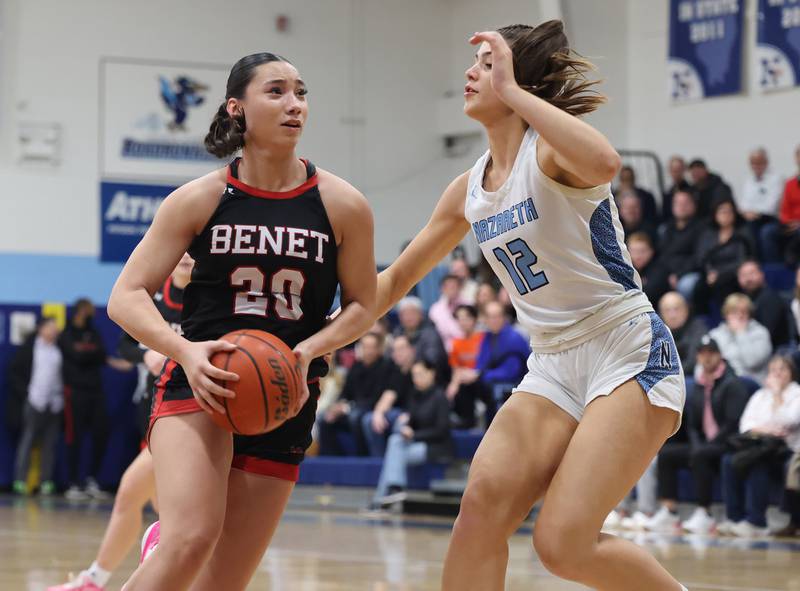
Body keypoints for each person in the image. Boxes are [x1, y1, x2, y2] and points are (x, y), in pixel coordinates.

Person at [371, 21, 688, 590]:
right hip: (551, 364)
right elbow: (392, 283)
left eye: (488, 65)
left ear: (519, 80)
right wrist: (310, 341)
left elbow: (606, 162)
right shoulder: (467, 189)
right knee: (480, 510)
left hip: (625, 348)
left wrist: (514, 92)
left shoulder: (552, 155)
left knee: (562, 544)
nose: (471, 74)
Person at [109, 52, 376, 591]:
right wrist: (184, 350)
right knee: (191, 539)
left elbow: (362, 306)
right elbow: (125, 296)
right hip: (201, 381)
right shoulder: (200, 199)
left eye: (300, 92)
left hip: (286, 393)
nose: (294, 104)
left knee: (221, 582)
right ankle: (167, 543)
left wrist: (307, 351)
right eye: (275, 92)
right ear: (237, 107)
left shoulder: (343, 205)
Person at [47, 256, 194, 591]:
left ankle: (97, 581)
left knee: (134, 495)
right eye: (182, 252)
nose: (186, 258)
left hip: (185, 413)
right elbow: (126, 343)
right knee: (161, 510)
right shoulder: (154, 296)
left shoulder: (206, 299)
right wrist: (146, 355)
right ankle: (108, 578)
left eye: (193, 253)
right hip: (154, 412)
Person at [647, 336, 750, 534]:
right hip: (703, 445)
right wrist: (697, 444)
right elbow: (693, 425)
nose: (707, 358)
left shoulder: (732, 383)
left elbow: (732, 423)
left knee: (701, 455)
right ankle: (669, 511)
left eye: (711, 354)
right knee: (667, 453)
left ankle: (705, 513)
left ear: (719, 356)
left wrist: (707, 446)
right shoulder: (697, 385)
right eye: (703, 354)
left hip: (728, 443)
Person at [719, 355, 800, 538]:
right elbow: (745, 424)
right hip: (759, 445)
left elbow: (788, 421)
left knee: (758, 463)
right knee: (728, 461)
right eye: (773, 370)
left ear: (791, 373)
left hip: (786, 451)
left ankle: (757, 522)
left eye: (782, 369)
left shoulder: (797, 394)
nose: (777, 374)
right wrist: (767, 430)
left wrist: (778, 395)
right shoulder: (761, 394)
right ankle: (735, 518)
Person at [371, 359, 453, 508]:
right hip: (415, 443)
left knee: (393, 452)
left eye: (420, 374)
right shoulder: (415, 395)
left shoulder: (440, 397)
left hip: (435, 447)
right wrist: (405, 425)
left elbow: (442, 431)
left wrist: (414, 435)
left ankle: (382, 498)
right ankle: (393, 491)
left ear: (431, 373)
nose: (416, 379)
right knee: (395, 442)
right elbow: (413, 421)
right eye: (414, 375)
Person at [60, 298, 111, 501]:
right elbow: (77, 355)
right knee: (75, 437)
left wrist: (86, 351)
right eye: (88, 309)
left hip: (95, 391)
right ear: (80, 311)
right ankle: (73, 483)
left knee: (101, 433)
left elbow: (101, 353)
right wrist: (88, 352)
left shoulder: (94, 332)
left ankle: (92, 480)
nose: (92, 312)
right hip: (74, 391)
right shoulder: (67, 333)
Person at [318, 332, 394, 456]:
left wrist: (347, 407)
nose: (368, 351)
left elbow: (376, 398)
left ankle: (361, 457)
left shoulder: (386, 367)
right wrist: (339, 405)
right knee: (324, 418)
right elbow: (345, 392)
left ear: (379, 349)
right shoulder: (356, 366)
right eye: (365, 347)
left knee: (356, 416)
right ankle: (334, 458)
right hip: (352, 408)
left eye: (371, 347)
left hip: (371, 409)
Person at [10, 317, 62, 496]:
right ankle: (20, 480)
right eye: (50, 327)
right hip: (34, 401)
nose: (54, 331)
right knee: (28, 440)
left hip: (54, 403)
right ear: (40, 329)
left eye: (55, 328)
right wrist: (27, 393)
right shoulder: (30, 348)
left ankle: (46, 481)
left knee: (49, 443)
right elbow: (16, 372)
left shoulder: (59, 350)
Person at [693, 197, 754, 313]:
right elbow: (702, 257)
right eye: (722, 211)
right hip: (711, 273)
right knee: (698, 287)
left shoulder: (742, 233)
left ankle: (727, 317)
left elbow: (742, 260)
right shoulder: (708, 234)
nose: (725, 215)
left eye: (729, 211)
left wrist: (720, 274)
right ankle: (704, 320)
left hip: (733, 273)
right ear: (715, 214)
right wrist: (709, 272)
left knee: (723, 284)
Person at [362, 334, 416, 456]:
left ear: (412, 350)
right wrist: (378, 413)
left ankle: (396, 460)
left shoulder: (421, 368)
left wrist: (412, 414)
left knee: (400, 422)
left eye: (401, 349)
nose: (397, 353)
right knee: (369, 419)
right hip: (399, 412)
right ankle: (379, 461)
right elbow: (389, 394)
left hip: (417, 413)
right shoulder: (395, 371)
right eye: (394, 350)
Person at [709, 293, 772, 383]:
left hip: (751, 383)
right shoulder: (715, 335)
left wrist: (740, 333)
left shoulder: (760, 333)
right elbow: (703, 364)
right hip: (722, 385)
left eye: (743, 312)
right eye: (734, 312)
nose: (739, 316)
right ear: (726, 314)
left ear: (749, 314)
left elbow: (752, 362)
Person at [736, 148, 783, 260]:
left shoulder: (776, 179)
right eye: (753, 163)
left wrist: (752, 212)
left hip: (771, 219)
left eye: (759, 162)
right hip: (751, 219)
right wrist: (747, 213)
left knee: (765, 232)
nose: (756, 166)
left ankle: (767, 267)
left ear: (766, 162)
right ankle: (749, 264)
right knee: (743, 228)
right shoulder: (748, 180)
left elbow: (771, 206)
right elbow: (743, 204)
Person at [657, 190, 703, 301]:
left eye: (685, 203)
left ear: (693, 205)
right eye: (677, 203)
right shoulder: (666, 229)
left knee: (685, 286)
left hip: (691, 272)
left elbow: (699, 258)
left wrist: (678, 274)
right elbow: (662, 254)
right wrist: (668, 273)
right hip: (669, 272)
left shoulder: (701, 228)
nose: (681, 206)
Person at [446, 305, 487, 428]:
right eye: (459, 319)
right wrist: (453, 385)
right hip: (463, 380)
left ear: (474, 319)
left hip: (481, 378)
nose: (462, 322)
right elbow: (456, 368)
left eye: (466, 318)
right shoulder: (456, 343)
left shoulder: (484, 338)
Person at [736, 259, 791, 349]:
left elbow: (766, 334)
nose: (748, 279)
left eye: (752, 273)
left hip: (775, 351)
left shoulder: (770, 298)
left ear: (761, 274)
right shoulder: (743, 300)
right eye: (743, 275)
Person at [393, 296, 449, 383]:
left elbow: (432, 359)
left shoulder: (431, 333)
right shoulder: (397, 333)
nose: (408, 317)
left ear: (421, 314)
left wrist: (411, 359)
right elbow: (391, 356)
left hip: (432, 380)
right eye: (405, 314)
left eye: (412, 313)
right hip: (403, 378)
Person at [763, 145, 800, 264]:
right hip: (790, 224)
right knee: (767, 231)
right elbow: (784, 210)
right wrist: (788, 223)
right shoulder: (790, 183)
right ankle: (775, 268)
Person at [657, 292, 707, 376]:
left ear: (686, 310)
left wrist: (670, 373)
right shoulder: (657, 333)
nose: (672, 315)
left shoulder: (698, 329)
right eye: (667, 310)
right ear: (661, 314)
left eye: (676, 309)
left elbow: (693, 362)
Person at [628, 232, 670, 308]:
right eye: (634, 251)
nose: (638, 256)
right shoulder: (626, 269)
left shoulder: (659, 269)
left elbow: (650, 295)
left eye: (642, 251)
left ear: (651, 251)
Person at [428, 274, 466, 352]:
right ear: (442, 289)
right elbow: (437, 332)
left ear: (460, 288)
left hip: (467, 348)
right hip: (443, 352)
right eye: (447, 287)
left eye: (453, 287)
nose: (451, 289)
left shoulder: (469, 305)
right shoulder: (435, 310)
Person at [662, 156, 690, 221]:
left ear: (684, 170)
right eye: (673, 170)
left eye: (679, 169)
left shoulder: (691, 191)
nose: (676, 172)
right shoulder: (667, 192)